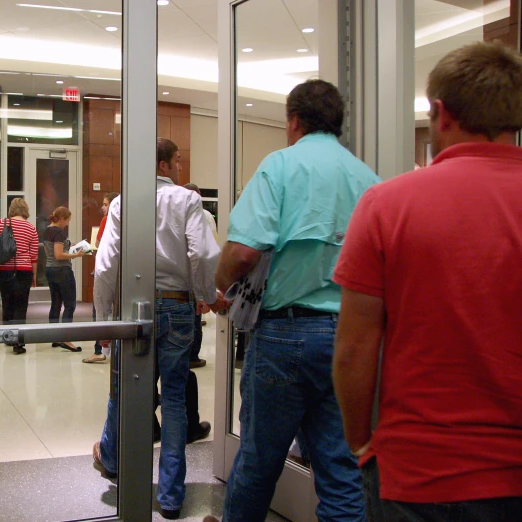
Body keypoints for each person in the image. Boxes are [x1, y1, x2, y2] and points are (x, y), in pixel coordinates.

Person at [332, 41, 522, 521]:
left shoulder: (387, 205)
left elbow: (354, 349)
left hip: (420, 473)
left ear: (441, 112)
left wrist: (360, 442)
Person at [213, 79, 379, 522]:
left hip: (285, 336)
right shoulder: (368, 179)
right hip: (350, 339)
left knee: (257, 462)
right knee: (341, 473)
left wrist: (219, 284)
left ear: (294, 121)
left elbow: (245, 251)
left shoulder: (280, 167)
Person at [92, 138, 227, 520]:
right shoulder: (187, 201)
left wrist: (105, 321)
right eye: (178, 161)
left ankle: (114, 461)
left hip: (133, 310)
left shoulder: (122, 203)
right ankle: (170, 496)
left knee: (124, 390)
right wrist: (206, 294)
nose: (180, 168)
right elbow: (201, 253)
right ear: (164, 165)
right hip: (177, 305)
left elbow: (105, 267)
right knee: (173, 402)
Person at [0, 198, 38, 355]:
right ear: (25, 209)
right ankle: (18, 342)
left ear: (12, 209)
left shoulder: (1, 223)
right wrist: (34, 275)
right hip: (23, 269)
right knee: (21, 305)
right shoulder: (31, 228)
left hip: (3, 268)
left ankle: (8, 337)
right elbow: (34, 256)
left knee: (7, 302)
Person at [84, 191, 120, 364]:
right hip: (120, 272)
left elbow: (99, 243)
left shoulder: (107, 221)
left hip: (106, 271)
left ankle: (100, 348)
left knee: (100, 309)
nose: (102, 208)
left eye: (105, 204)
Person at [182, 183, 214, 369]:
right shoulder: (205, 216)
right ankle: (193, 356)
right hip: (193, 279)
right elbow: (203, 252)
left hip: (180, 282)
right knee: (194, 320)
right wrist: (206, 294)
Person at [43, 206, 84, 352]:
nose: (67, 224)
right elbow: (59, 255)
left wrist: (70, 247)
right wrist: (76, 255)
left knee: (56, 303)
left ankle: (55, 336)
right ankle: (66, 339)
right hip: (62, 271)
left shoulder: (47, 230)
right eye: (67, 221)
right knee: (70, 304)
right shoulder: (59, 232)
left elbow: (49, 252)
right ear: (61, 219)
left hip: (50, 269)